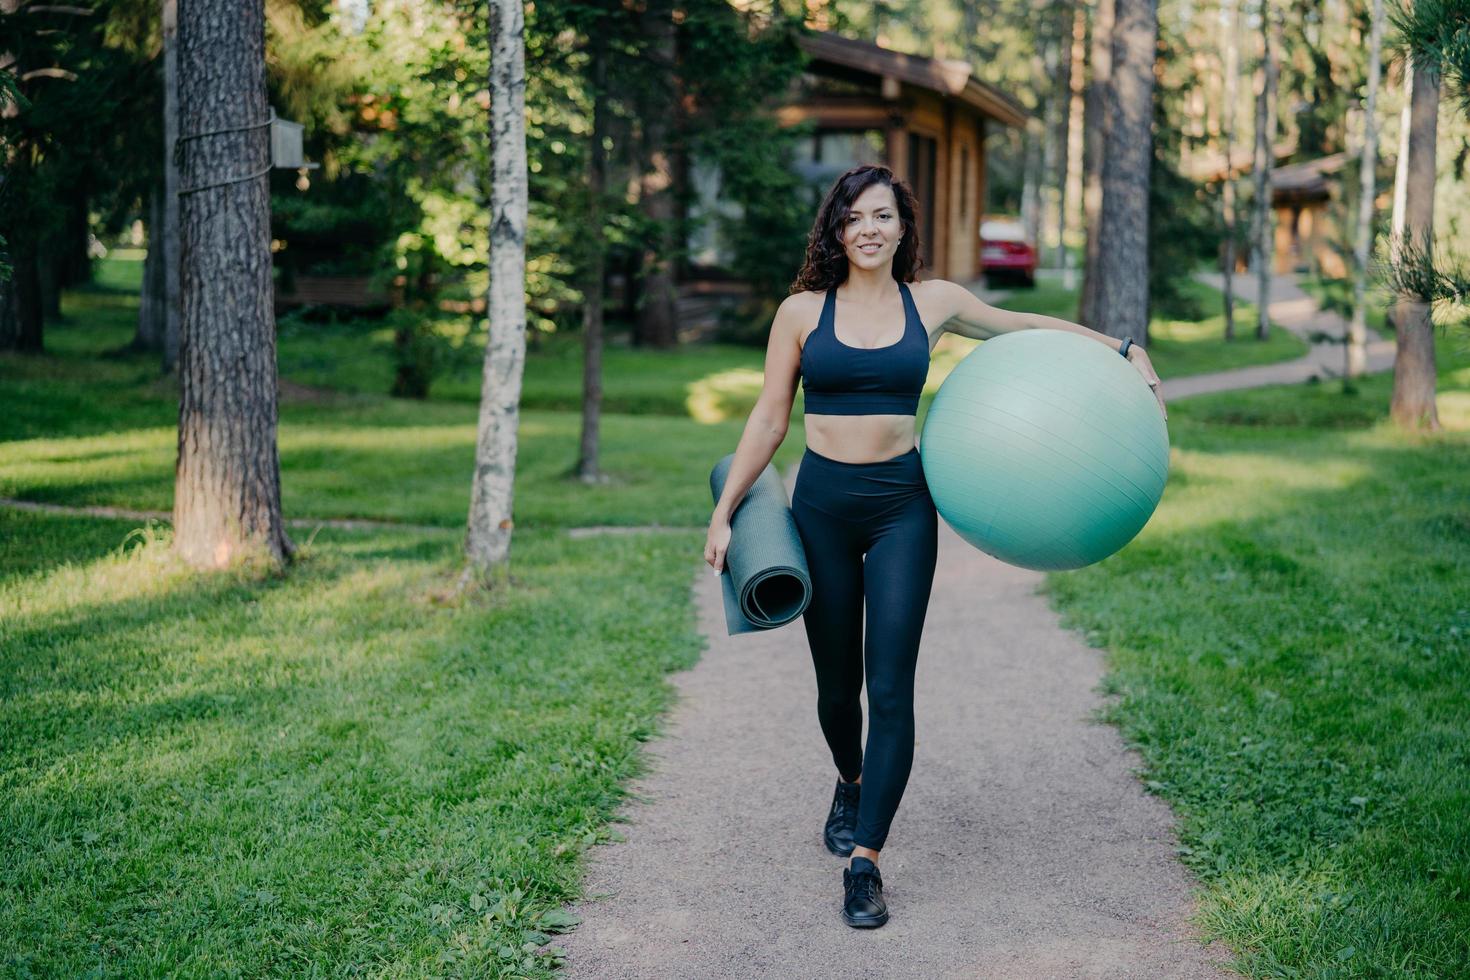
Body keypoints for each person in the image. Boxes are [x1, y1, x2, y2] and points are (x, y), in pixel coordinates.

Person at [703, 164, 1165, 929]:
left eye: (883, 215)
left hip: (900, 513)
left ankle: (867, 861)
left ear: (902, 225)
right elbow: (768, 419)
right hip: (821, 509)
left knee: (888, 688)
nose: (870, 229)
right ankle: (848, 782)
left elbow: (1025, 328)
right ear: (836, 230)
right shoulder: (799, 313)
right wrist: (724, 513)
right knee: (833, 686)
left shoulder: (936, 303)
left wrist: (1119, 347)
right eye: (855, 218)